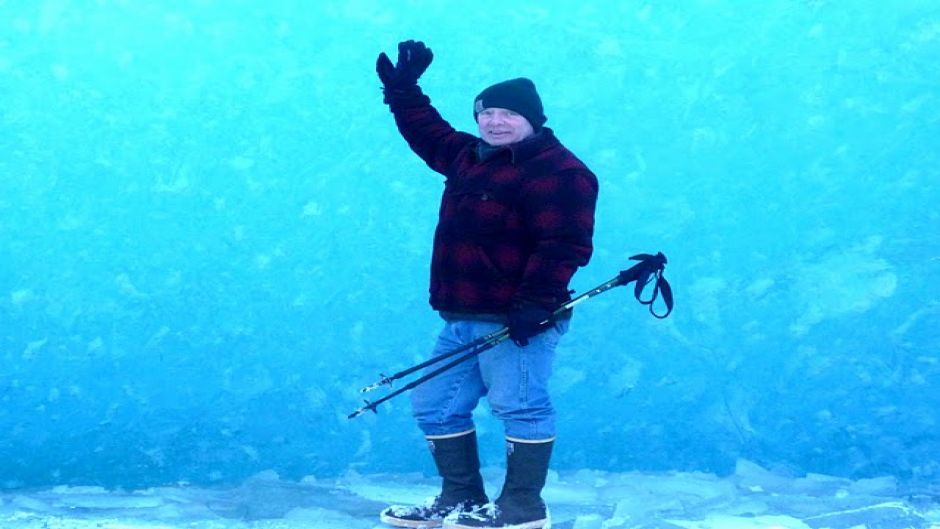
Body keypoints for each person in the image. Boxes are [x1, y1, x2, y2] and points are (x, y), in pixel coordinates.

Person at [375, 39, 598, 529]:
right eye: (486, 113)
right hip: (460, 315)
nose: (495, 122)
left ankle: (521, 509)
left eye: (507, 114)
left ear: (533, 119)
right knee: (435, 405)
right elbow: (428, 133)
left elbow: (564, 244)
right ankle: (463, 501)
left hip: (517, 320)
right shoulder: (471, 157)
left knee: (520, 406)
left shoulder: (562, 172)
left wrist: (536, 303)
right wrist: (404, 91)